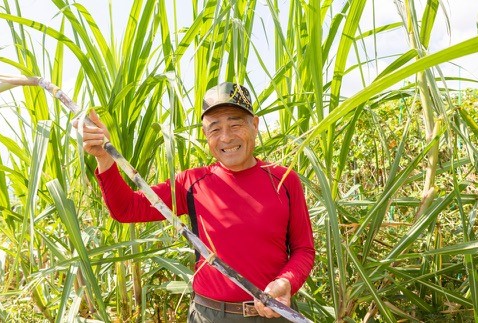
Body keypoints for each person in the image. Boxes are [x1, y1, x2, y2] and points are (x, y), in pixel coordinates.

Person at [76, 82, 315, 322]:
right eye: (215, 128)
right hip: (209, 315)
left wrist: (286, 282)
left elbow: (303, 249)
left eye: (235, 124)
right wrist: (104, 157)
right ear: (205, 134)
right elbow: (127, 209)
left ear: (254, 125)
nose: (226, 137)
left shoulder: (284, 179)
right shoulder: (191, 183)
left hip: (274, 314)